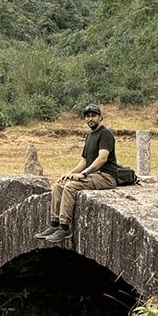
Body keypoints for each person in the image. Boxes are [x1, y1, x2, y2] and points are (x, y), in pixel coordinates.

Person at [38, 104, 120, 244]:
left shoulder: (105, 134)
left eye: (93, 115)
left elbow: (102, 158)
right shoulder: (89, 136)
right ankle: (54, 224)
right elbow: (84, 161)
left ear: (100, 117)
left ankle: (65, 228)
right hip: (93, 175)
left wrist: (84, 174)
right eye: (87, 116)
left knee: (70, 187)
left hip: (106, 176)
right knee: (59, 185)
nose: (90, 119)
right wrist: (70, 173)